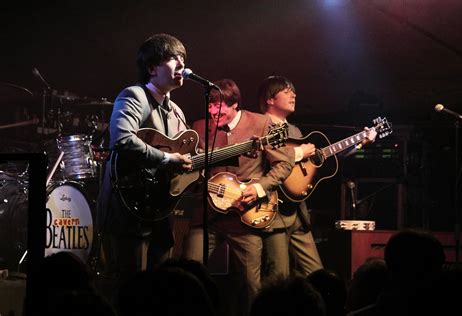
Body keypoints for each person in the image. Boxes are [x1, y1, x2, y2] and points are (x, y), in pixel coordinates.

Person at [182, 78, 294, 316]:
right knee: (188, 275)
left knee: (250, 286)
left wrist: (259, 189)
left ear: (235, 106)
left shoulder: (261, 123)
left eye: (219, 106)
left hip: (244, 216)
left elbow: (284, 164)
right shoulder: (200, 126)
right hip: (206, 215)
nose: (213, 111)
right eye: (210, 106)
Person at [257, 76, 377, 280]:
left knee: (317, 273)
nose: (293, 95)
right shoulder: (258, 125)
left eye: (293, 91)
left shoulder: (295, 131)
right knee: (279, 274)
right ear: (270, 98)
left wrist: (359, 143)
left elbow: (318, 164)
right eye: (286, 91)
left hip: (298, 212)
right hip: (273, 210)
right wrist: (298, 154)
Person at [97, 33, 192, 284]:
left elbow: (182, 157)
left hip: (161, 208)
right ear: (151, 68)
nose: (182, 64)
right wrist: (166, 160)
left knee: (161, 283)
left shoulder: (177, 112)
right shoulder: (134, 95)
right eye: (174, 58)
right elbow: (122, 139)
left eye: (183, 58)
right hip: (131, 206)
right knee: (132, 284)